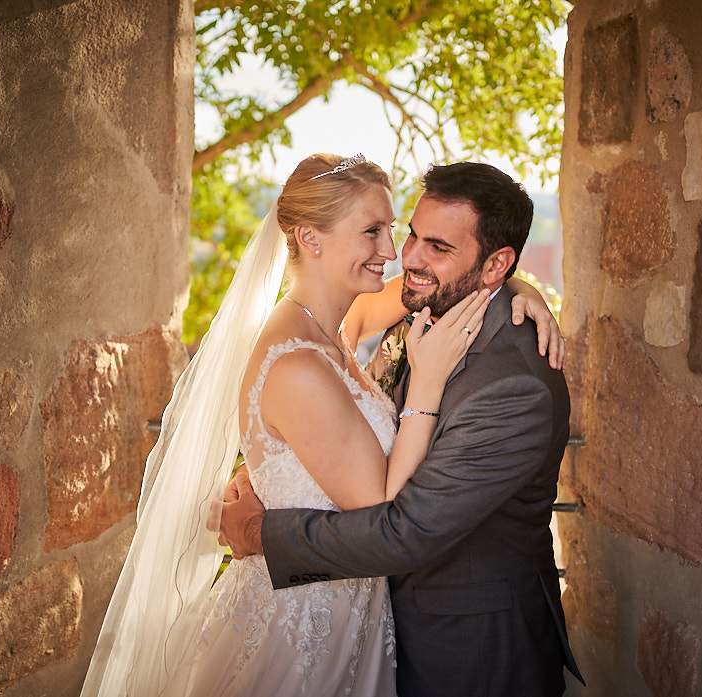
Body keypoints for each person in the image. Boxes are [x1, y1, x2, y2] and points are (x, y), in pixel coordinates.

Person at [80, 154, 563, 697]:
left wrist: (521, 290)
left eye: (402, 233)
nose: (399, 256)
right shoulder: (312, 352)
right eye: (385, 233)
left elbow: (397, 526)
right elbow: (376, 497)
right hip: (310, 622)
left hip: (456, 641)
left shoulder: (362, 327)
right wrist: (425, 384)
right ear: (310, 238)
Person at [220, 161, 585, 697]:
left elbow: (400, 531)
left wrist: (258, 533)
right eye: (403, 232)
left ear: (494, 265)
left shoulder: (513, 387)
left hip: (470, 650)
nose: (402, 255)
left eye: (433, 246)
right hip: (336, 623)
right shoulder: (412, 306)